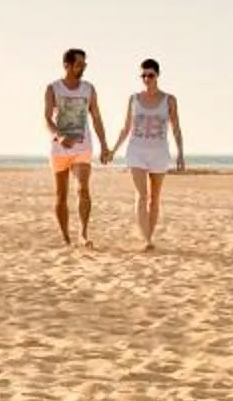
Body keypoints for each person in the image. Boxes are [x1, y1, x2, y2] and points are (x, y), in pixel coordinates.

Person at [109, 58, 186, 250]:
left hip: (159, 153)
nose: (146, 79)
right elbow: (126, 128)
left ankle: (148, 236)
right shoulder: (134, 99)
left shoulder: (169, 100)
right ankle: (147, 240)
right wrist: (113, 150)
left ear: (157, 76)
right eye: (143, 75)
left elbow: (176, 128)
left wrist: (181, 153)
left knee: (154, 198)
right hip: (136, 152)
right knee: (141, 196)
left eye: (150, 75)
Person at [43, 48, 108, 245]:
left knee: (83, 189)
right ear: (67, 65)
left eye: (84, 64)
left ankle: (83, 234)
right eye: (79, 64)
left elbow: (96, 117)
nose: (83, 68)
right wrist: (58, 135)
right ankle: (65, 237)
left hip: (82, 146)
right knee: (61, 195)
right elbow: (46, 117)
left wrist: (104, 145)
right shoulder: (53, 88)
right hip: (60, 148)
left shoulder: (89, 89)